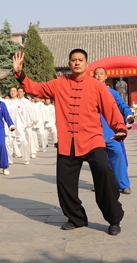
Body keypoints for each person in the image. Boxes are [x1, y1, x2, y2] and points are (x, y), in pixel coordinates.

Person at [13, 49, 127, 235]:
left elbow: (111, 109)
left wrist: (119, 128)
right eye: (73, 60)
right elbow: (36, 89)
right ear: (69, 64)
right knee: (65, 184)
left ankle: (114, 219)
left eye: (80, 60)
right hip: (68, 141)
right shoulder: (59, 84)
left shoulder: (97, 87)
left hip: (92, 140)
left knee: (104, 174)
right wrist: (20, 73)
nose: (76, 63)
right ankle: (76, 218)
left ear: (86, 63)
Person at [93, 67, 134, 195]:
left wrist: (128, 115)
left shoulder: (112, 93)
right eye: (96, 74)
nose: (98, 76)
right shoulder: (88, 93)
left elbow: (123, 105)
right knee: (98, 161)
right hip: (94, 133)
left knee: (117, 154)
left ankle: (124, 185)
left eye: (101, 74)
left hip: (110, 132)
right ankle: (101, 184)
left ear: (106, 77)